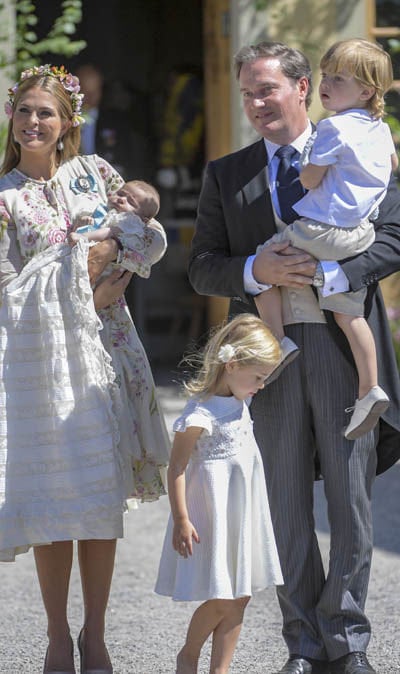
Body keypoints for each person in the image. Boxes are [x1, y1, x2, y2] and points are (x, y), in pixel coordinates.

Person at [188, 40, 400, 674]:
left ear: (303, 88)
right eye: (247, 92)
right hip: (264, 360)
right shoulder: (226, 173)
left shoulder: (359, 144)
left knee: (350, 504)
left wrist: (336, 276)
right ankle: (303, 644)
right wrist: (257, 267)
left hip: (341, 347)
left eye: (267, 90)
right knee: (282, 502)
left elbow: (394, 235)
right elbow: (202, 268)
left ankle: (349, 641)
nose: (255, 103)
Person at [0, 64, 170, 674]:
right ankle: (53, 636)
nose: (34, 121)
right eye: (24, 110)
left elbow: (147, 239)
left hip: (109, 352)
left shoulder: (98, 175)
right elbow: (5, 292)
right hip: (45, 363)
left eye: (46, 112)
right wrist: (83, 282)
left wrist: (114, 265)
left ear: (68, 122)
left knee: (99, 496)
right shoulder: (5, 199)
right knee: (54, 497)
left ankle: (94, 635)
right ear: (12, 119)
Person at [254, 39, 397, 440]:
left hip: (322, 227)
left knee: (264, 265)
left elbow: (310, 179)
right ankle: (370, 388)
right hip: (358, 235)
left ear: (367, 91)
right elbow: (390, 169)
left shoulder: (334, 127)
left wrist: (307, 172)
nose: (325, 84)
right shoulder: (381, 129)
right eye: (325, 75)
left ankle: (279, 342)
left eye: (338, 78)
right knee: (349, 316)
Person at [155, 313, 284, 674]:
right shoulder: (201, 413)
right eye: (258, 377)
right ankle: (189, 653)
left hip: (241, 515)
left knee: (240, 595)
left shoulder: (243, 400)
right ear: (232, 364)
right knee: (222, 596)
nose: (261, 385)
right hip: (213, 517)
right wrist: (182, 519)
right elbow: (177, 467)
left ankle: (220, 669)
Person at [75, 63, 136, 179]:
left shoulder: (115, 121)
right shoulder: (63, 120)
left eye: (95, 92)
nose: (90, 97)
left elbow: (126, 157)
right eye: (85, 92)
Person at [70, 179, 160, 246]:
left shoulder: (131, 223)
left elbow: (111, 232)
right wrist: (82, 223)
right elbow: (73, 236)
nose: (121, 199)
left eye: (131, 202)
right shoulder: (103, 210)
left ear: (142, 219)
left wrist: (84, 237)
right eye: (120, 194)